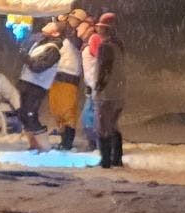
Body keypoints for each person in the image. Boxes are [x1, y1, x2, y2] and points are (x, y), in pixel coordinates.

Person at [17, 21, 64, 152]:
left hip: (37, 86)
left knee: (30, 115)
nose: (47, 24)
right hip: (28, 83)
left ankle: (44, 147)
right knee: (23, 115)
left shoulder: (53, 49)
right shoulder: (41, 42)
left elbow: (38, 67)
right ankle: (34, 144)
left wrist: (25, 57)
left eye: (51, 25)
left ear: (56, 33)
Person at [49, 12, 87, 151]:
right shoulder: (64, 39)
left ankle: (67, 142)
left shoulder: (76, 36)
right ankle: (64, 139)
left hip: (69, 76)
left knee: (67, 111)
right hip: (59, 75)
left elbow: (74, 38)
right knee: (58, 109)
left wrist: (64, 23)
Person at [93, 12, 127, 168]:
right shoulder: (119, 44)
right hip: (119, 91)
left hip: (108, 93)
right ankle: (117, 158)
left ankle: (105, 160)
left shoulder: (105, 46)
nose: (98, 30)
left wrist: (98, 87)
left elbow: (104, 70)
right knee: (113, 126)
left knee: (103, 127)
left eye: (101, 28)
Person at [79, 11, 100, 152]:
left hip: (96, 87)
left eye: (80, 26)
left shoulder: (94, 39)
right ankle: (95, 144)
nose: (77, 29)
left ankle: (97, 145)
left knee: (90, 118)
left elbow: (102, 60)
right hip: (92, 87)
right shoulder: (88, 41)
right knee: (88, 117)